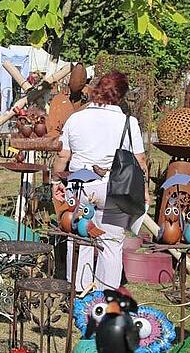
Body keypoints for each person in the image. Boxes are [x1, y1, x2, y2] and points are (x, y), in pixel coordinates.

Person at [51, 71, 149, 292]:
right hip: (115, 188)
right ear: (121, 96)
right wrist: (145, 190)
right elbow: (140, 161)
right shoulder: (128, 122)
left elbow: (63, 156)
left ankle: (79, 291)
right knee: (112, 243)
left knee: (80, 240)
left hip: (80, 187)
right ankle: (106, 295)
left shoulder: (76, 118)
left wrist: (56, 180)